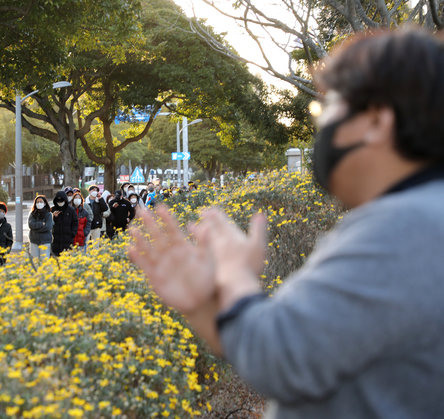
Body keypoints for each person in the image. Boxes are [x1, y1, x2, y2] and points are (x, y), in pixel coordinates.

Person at [130, 28, 444, 418]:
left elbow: (283, 358)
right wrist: (204, 306)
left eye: (327, 109)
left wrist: (235, 275)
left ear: (378, 120)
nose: (321, 127)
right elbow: (300, 359)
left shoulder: (403, 228)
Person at [51, 190, 78, 256]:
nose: (60, 203)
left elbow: (75, 222)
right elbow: (49, 223)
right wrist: (53, 217)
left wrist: (73, 233)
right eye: (58, 201)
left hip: (68, 239)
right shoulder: (52, 209)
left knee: (67, 259)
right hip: (56, 239)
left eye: (62, 201)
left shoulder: (71, 210)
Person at [28, 195, 53, 260]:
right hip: (34, 241)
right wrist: (41, 224)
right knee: (35, 261)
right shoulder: (32, 214)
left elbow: (48, 227)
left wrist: (36, 228)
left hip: (45, 241)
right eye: (37, 202)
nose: (39, 203)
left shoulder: (49, 214)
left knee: (44, 262)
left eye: (41, 202)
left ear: (45, 203)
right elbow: (31, 225)